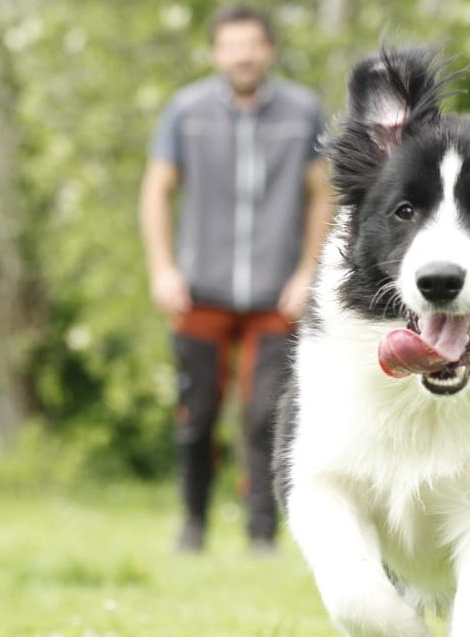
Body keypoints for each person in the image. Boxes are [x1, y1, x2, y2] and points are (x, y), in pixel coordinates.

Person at [139, 5, 332, 554]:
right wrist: (162, 269)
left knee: (267, 413)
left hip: (277, 291)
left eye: (252, 44)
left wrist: (308, 272)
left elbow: (323, 193)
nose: (243, 55)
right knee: (196, 415)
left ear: (268, 50)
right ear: (215, 53)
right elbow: (156, 190)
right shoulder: (186, 110)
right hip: (200, 287)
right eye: (232, 45)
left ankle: (261, 534)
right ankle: (193, 524)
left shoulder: (302, 111)